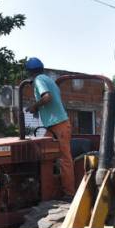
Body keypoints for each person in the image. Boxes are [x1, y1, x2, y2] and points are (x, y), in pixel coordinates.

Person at [25, 57, 74, 198]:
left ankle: (69, 194)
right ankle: (46, 191)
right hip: (53, 125)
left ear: (29, 72)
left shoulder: (39, 80)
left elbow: (47, 97)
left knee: (65, 159)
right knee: (42, 155)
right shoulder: (48, 79)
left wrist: (35, 106)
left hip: (59, 124)